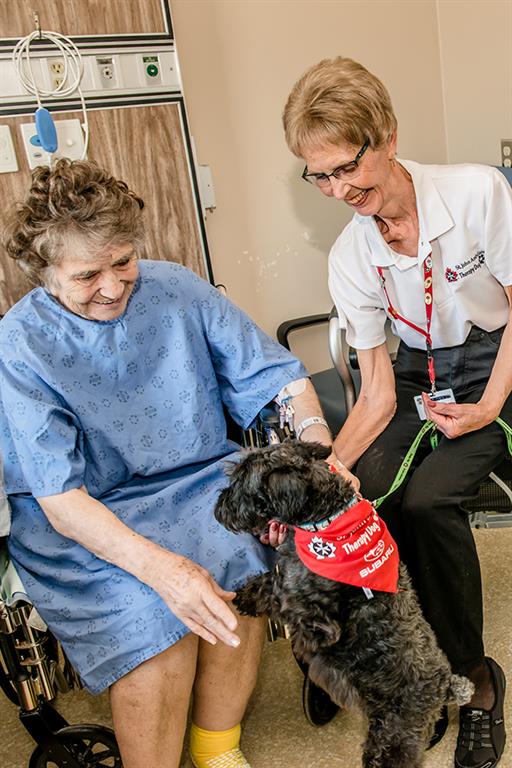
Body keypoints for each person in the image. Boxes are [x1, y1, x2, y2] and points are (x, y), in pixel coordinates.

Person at [0, 158, 354, 768]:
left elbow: (278, 378)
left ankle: (217, 749)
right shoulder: (23, 341)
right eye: (87, 274)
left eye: (122, 261)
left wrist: (318, 449)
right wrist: (169, 573)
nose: (112, 286)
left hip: (195, 483)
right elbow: (60, 497)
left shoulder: (175, 287)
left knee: (241, 568)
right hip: (83, 513)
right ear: (43, 273)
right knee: (150, 613)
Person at [283, 56, 511, 768]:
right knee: (367, 501)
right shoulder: (352, 253)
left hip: (495, 363)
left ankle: (476, 679)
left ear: (385, 133)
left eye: (346, 167)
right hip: (416, 374)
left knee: (431, 498)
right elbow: (378, 390)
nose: (337, 189)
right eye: (317, 176)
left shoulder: (475, 194)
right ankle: (400, 672)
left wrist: (489, 407)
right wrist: (328, 473)